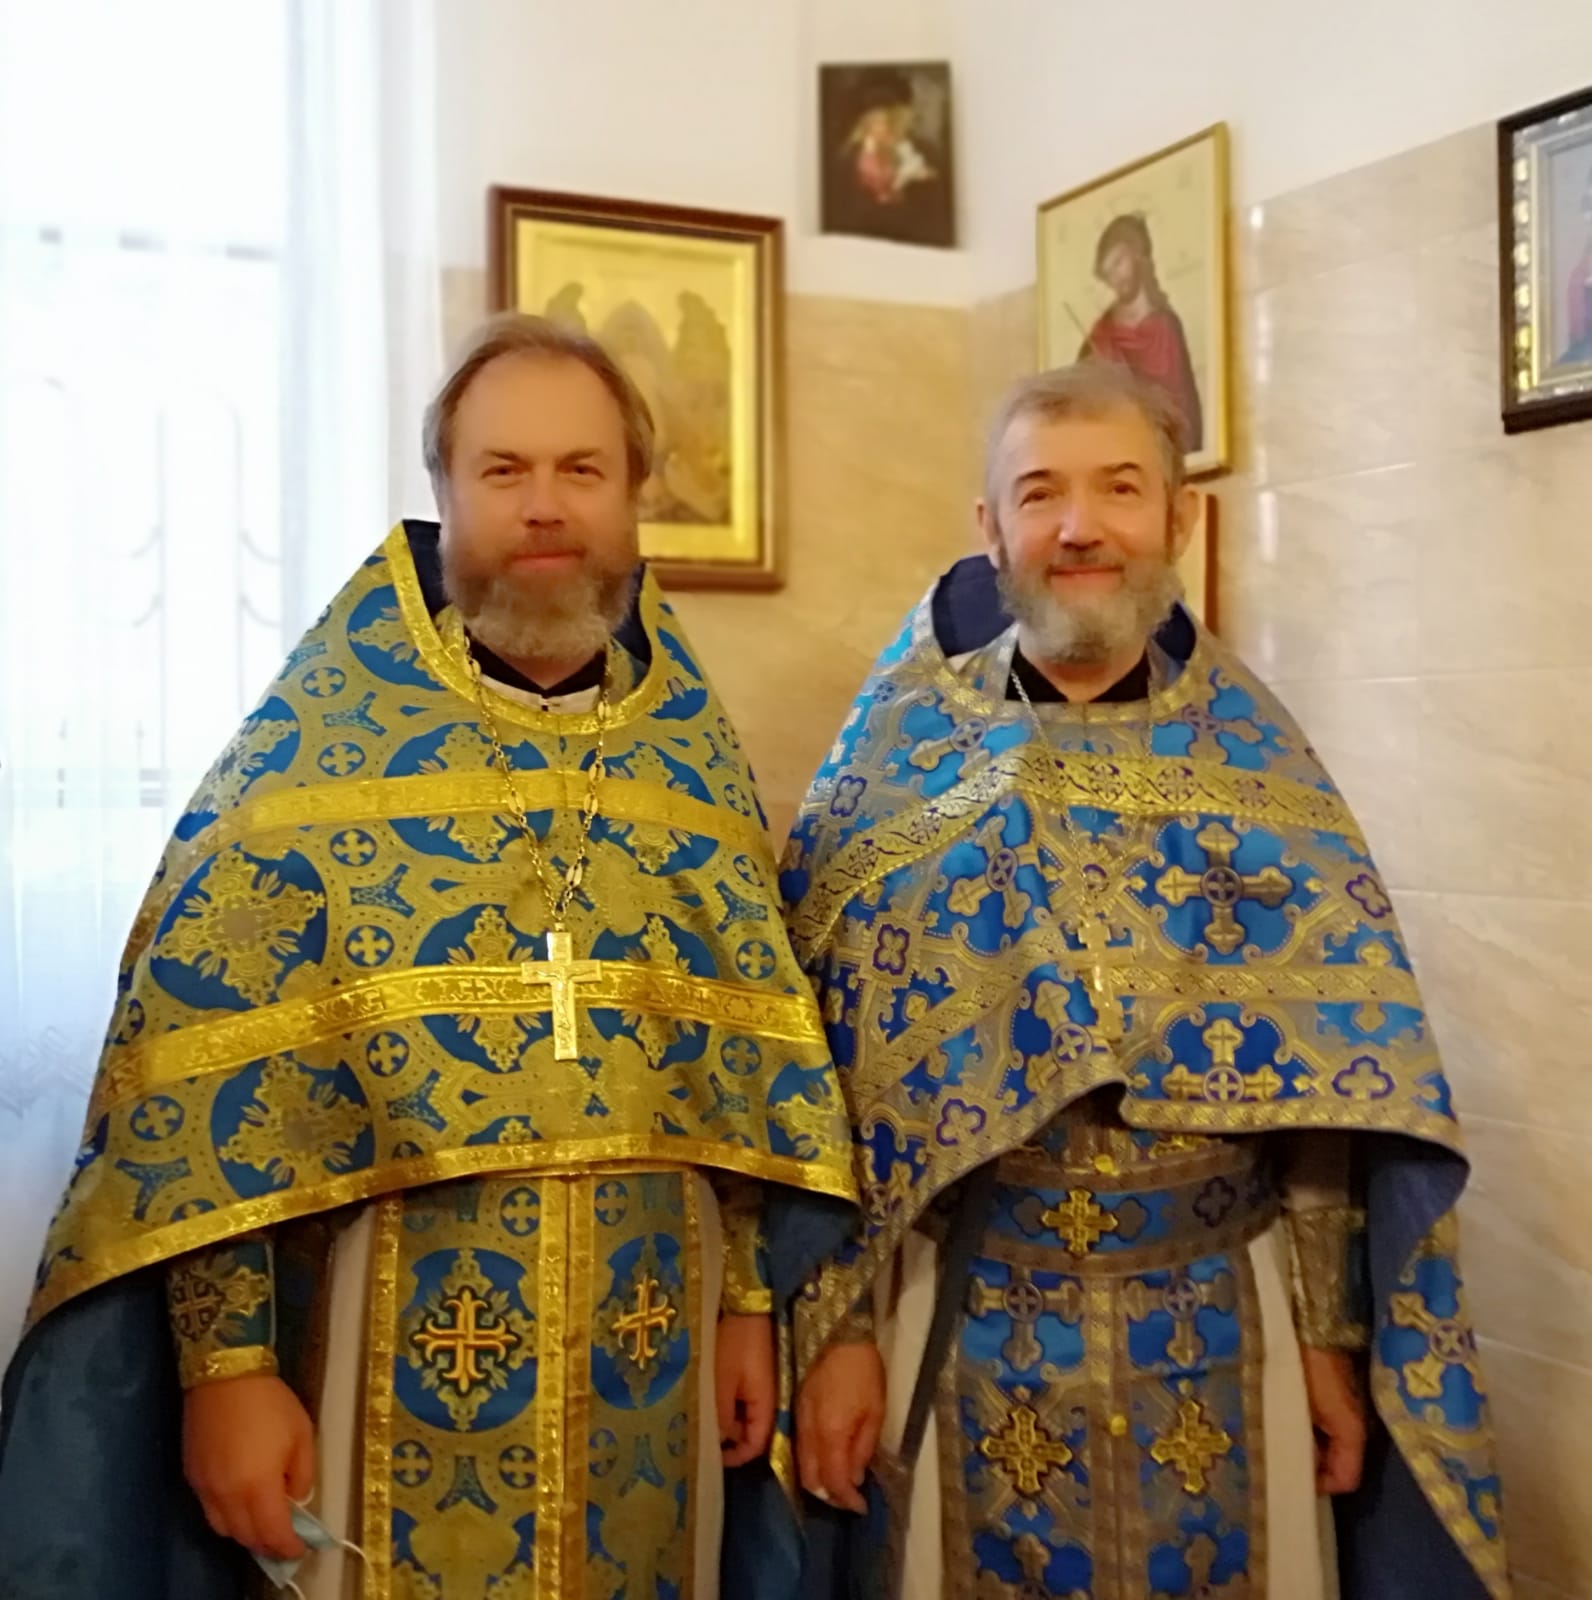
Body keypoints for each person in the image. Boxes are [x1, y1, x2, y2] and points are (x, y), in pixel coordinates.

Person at [0, 313, 856, 1599]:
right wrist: (229, 1368)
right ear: (443, 493)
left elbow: (735, 1070)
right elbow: (200, 1092)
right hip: (385, 1343)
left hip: (652, 1349)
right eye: (502, 470)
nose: (544, 505)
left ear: (634, 494)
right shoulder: (310, 758)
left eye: (580, 468)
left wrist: (745, 1300)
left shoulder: (691, 763)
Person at [772, 363, 1508, 1599]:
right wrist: (836, 1334)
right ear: (989, 528)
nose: (1079, 528)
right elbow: (825, 1083)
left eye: (1117, 489)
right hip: (965, 1314)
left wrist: (1329, 1336)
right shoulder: (892, 767)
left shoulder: (1261, 769)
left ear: (1177, 516)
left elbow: (1328, 1098)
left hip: (1225, 1319)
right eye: (1039, 494)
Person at [1080, 213, 1204, 455]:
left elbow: (1183, 408)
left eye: (1119, 262)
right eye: (1108, 273)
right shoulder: (1101, 334)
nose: (1116, 277)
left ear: (1138, 254)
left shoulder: (1165, 326)